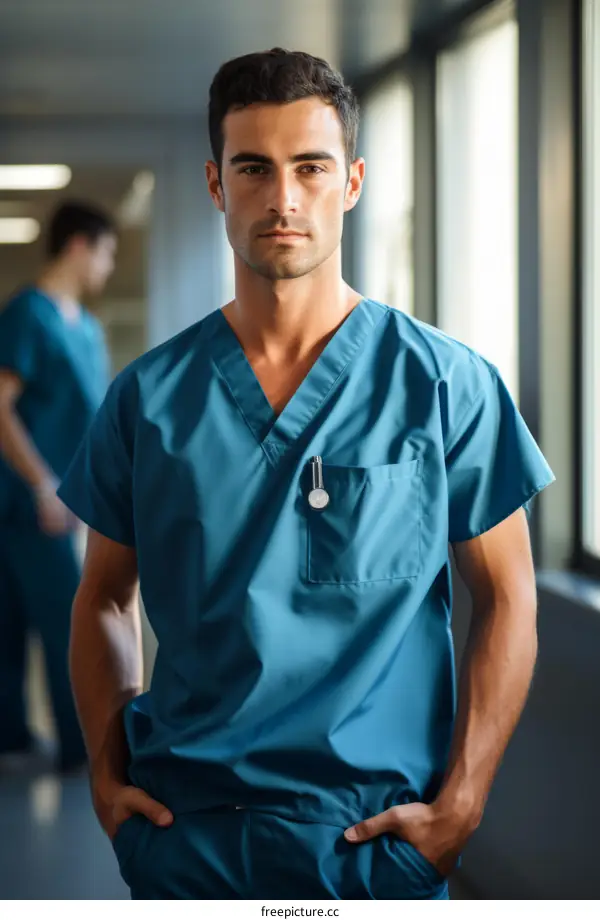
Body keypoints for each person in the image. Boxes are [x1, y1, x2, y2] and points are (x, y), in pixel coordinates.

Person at [58, 49, 554, 899]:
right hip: (189, 842)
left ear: (352, 182)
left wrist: (463, 801)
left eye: (310, 168)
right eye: (253, 168)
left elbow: (507, 595)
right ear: (216, 184)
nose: (283, 199)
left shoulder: (445, 385)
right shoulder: (146, 401)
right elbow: (104, 596)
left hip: (374, 845)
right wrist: (107, 783)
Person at [0, 200, 116, 774]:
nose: (109, 267)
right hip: (26, 501)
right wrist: (43, 483)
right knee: (71, 620)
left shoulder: (86, 327)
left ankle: (15, 740)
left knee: (16, 618)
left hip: (67, 503)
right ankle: (84, 750)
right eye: (107, 253)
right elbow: (0, 406)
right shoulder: (29, 314)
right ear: (78, 245)